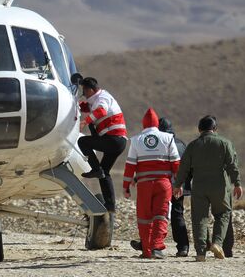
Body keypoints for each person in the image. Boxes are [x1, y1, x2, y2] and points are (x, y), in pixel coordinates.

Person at [173, 115, 243, 262]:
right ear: (215, 129)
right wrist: (237, 183)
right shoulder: (225, 143)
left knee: (199, 218)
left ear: (199, 129)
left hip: (199, 187)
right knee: (223, 214)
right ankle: (217, 243)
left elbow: (183, 168)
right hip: (220, 187)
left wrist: (178, 185)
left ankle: (200, 253)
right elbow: (232, 165)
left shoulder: (193, 145)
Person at [123, 108, 179, 259]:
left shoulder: (136, 140)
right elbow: (176, 164)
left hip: (144, 185)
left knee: (144, 217)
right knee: (161, 215)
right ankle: (157, 247)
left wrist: (126, 186)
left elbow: (130, 166)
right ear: (156, 123)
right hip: (163, 184)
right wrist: (178, 184)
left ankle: (147, 251)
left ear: (144, 124)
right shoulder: (168, 138)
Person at [130, 116, 190, 257]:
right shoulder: (180, 143)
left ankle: (150, 245)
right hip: (178, 185)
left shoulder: (160, 142)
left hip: (164, 184)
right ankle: (182, 247)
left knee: (151, 215)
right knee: (177, 215)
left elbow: (152, 164)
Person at [77, 77, 127, 213]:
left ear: (90, 90)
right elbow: (87, 106)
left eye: (84, 91)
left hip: (113, 139)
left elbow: (101, 111)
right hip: (119, 141)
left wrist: (84, 122)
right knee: (105, 173)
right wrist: (75, 105)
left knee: (82, 142)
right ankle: (110, 206)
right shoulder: (96, 100)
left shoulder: (102, 98)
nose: (84, 95)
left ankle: (95, 169)